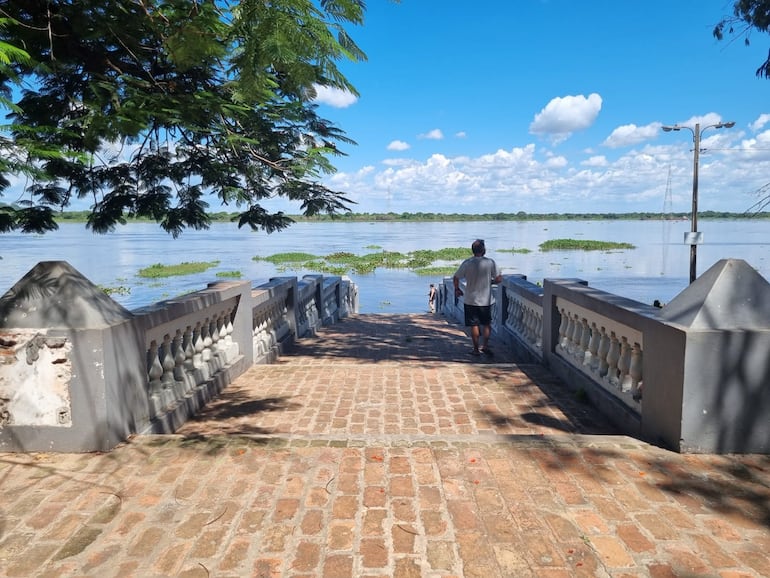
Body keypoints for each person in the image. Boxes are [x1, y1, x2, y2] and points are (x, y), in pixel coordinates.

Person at [453, 239, 502, 356]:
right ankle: (485, 346)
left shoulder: (467, 263)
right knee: (486, 324)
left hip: (470, 299)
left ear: (473, 250)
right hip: (486, 300)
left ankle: (475, 349)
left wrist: (457, 289)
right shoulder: (491, 263)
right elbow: (499, 279)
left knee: (474, 325)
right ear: (483, 250)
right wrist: (491, 282)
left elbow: (456, 277)